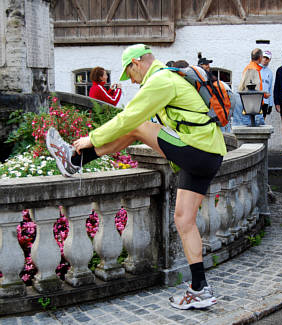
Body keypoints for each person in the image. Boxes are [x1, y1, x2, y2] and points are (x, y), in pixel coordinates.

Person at [46, 44, 227, 310]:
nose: (130, 79)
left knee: (137, 125)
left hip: (198, 150)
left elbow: (129, 117)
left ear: (137, 63)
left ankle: (75, 159)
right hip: (209, 154)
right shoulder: (168, 77)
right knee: (184, 220)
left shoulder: (161, 79)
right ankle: (200, 288)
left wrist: (91, 138)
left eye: (128, 72)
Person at [260, 50, 274, 120]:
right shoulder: (256, 69)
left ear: (270, 60)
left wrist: (271, 104)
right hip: (256, 99)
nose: (265, 60)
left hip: (265, 101)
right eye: (264, 57)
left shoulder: (270, 72)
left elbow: (270, 89)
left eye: (267, 58)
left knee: (262, 122)